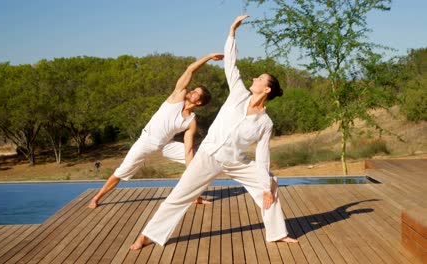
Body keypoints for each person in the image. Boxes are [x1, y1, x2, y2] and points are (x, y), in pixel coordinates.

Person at [130, 15, 298, 250]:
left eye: (259, 78)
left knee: (269, 183)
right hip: (208, 155)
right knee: (180, 195)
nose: (254, 78)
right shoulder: (239, 93)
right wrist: (232, 33)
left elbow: (262, 156)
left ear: (267, 88)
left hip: (236, 161)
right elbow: (231, 64)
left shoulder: (265, 123)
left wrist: (265, 188)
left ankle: (277, 232)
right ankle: (148, 235)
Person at [88, 52, 224, 209]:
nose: (191, 91)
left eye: (195, 93)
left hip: (165, 145)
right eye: (193, 89)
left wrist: (192, 167)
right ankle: (96, 198)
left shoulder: (191, 121)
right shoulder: (177, 96)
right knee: (121, 172)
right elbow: (190, 70)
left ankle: (195, 196)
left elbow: (187, 151)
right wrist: (208, 57)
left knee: (198, 161)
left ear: (199, 102)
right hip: (146, 141)